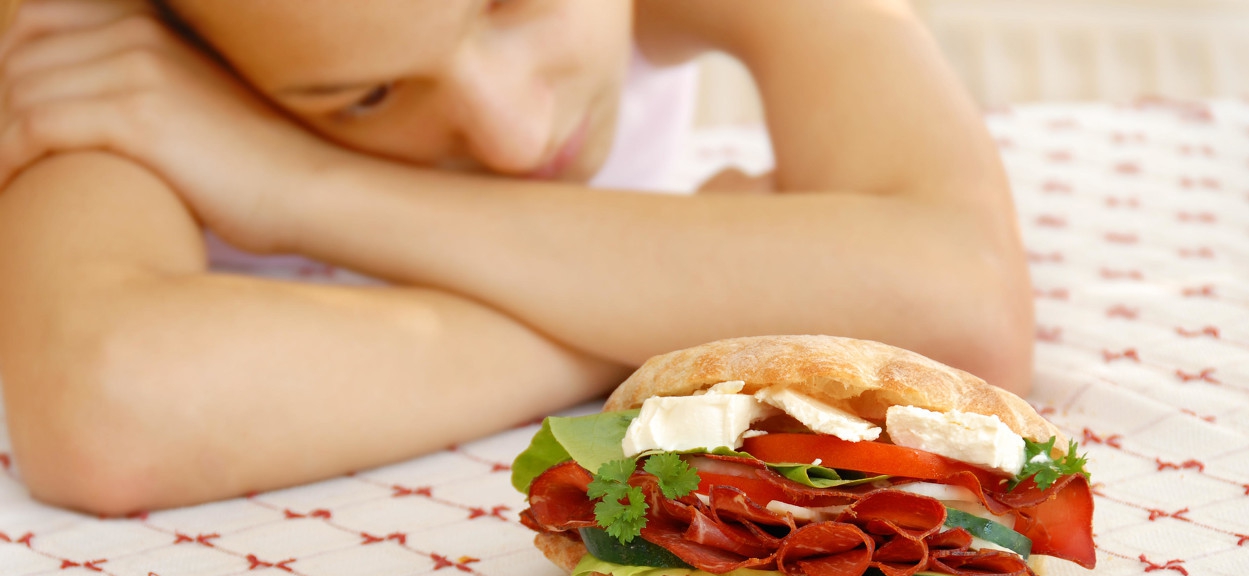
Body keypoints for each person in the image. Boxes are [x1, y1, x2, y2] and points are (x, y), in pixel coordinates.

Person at [0, 0, 1033, 516]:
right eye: (361, 99)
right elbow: (109, 411)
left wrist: (302, 186)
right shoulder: (110, 53)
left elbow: (963, 307)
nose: (510, 133)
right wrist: (683, 312)